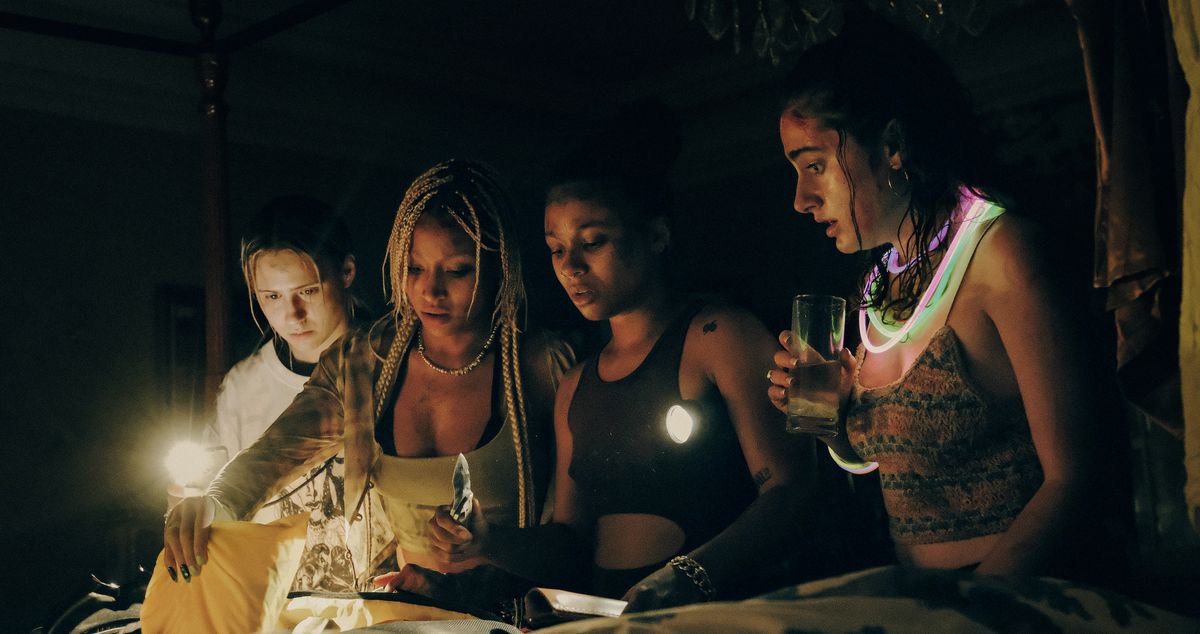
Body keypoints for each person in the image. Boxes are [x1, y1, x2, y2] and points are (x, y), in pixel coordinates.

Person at [423, 105, 811, 613]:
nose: (571, 267)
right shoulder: (576, 385)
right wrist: (488, 542)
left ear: (656, 236)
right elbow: (571, 544)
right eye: (557, 249)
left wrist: (691, 575)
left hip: (715, 621)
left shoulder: (717, 337)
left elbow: (791, 491)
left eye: (593, 242)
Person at [163, 160, 574, 606]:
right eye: (415, 269)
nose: (430, 292)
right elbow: (273, 453)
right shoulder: (364, 362)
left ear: (499, 268)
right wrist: (214, 503)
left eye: (457, 271)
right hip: (406, 611)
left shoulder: (543, 367)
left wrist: (489, 543)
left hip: (509, 618)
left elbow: (575, 548)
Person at [766, 21, 1096, 577]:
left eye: (815, 165)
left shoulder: (1003, 255)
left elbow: (1080, 476)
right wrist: (836, 421)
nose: (800, 199)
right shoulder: (882, 288)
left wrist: (971, 609)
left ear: (893, 146)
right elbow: (887, 463)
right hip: (925, 597)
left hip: (1023, 602)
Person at [201, 195, 360, 592]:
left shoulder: (393, 362)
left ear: (346, 271)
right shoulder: (242, 389)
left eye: (306, 291)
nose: (292, 314)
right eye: (272, 297)